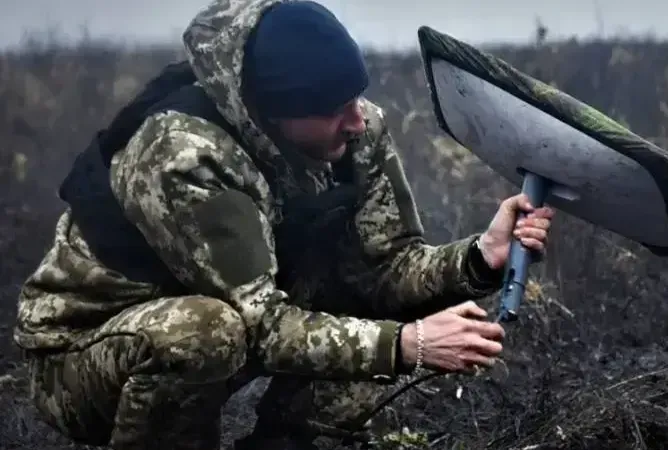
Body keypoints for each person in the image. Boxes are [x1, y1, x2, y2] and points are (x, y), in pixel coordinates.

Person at [12, 0, 554, 449]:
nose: (358, 120)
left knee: (380, 307)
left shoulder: (355, 132)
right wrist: (409, 344)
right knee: (206, 331)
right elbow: (260, 327)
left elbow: (386, 267)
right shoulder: (185, 155)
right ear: (273, 113)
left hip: (229, 330)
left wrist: (480, 255)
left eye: (356, 98)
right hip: (86, 360)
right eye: (333, 108)